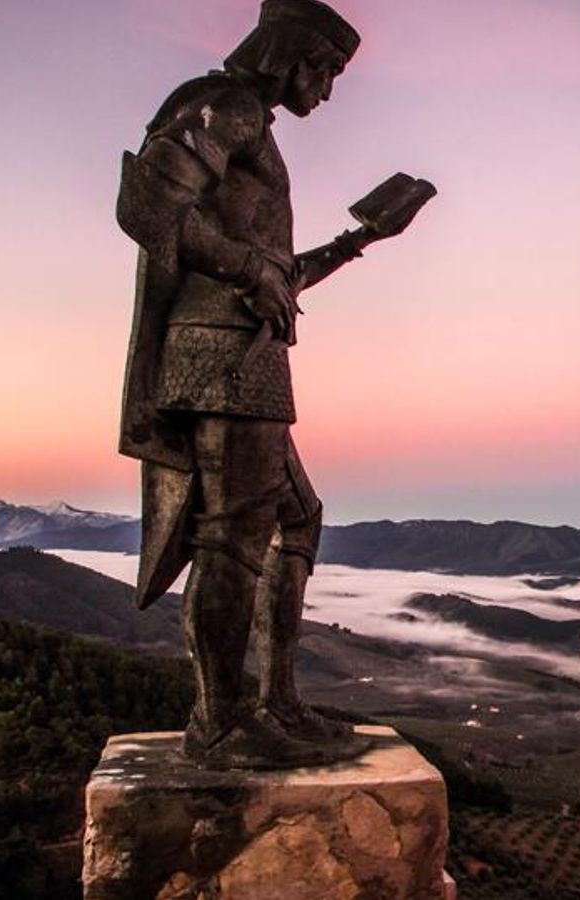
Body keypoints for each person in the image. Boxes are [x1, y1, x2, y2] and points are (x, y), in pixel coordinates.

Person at [115, 0, 397, 768]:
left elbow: (280, 275)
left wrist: (362, 238)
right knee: (235, 535)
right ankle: (222, 721)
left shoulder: (253, 127)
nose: (328, 91)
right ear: (293, 53)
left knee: (295, 520)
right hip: (221, 356)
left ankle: (274, 702)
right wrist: (246, 269)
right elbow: (144, 206)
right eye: (327, 71)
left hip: (249, 355)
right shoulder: (226, 106)